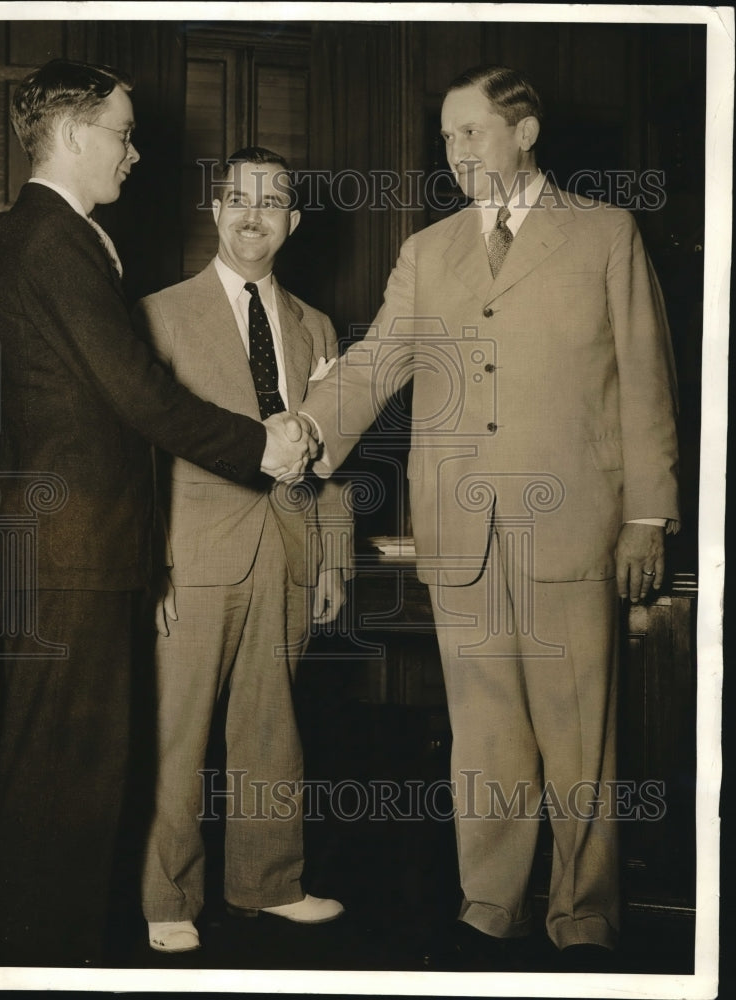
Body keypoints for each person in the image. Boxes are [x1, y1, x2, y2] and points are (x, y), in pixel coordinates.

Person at [300, 65, 680, 971]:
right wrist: (308, 425)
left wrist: (648, 518)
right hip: (462, 536)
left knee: (578, 730)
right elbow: (376, 362)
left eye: (468, 131)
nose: (454, 151)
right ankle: (489, 902)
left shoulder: (604, 233)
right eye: (444, 137)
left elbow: (646, 382)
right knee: (484, 735)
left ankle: (584, 913)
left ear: (525, 132)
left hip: (574, 529)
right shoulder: (428, 252)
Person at [0, 60, 315, 968]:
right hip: (68, 547)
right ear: (77, 135)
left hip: (70, 545)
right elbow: (138, 394)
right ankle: (43, 960)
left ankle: (50, 952)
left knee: (70, 768)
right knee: (64, 771)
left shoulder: (56, 237)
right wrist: (260, 447)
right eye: (124, 134)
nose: (134, 153)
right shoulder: (51, 241)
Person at [135, 147, 352, 954]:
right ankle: (169, 898)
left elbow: (335, 453)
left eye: (271, 202)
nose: (250, 214)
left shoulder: (316, 325)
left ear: (292, 222)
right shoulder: (158, 315)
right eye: (235, 198)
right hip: (188, 554)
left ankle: (268, 883)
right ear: (215, 210)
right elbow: (143, 456)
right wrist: (147, 565)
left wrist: (333, 555)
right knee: (178, 731)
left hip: (287, 551)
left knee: (272, 728)